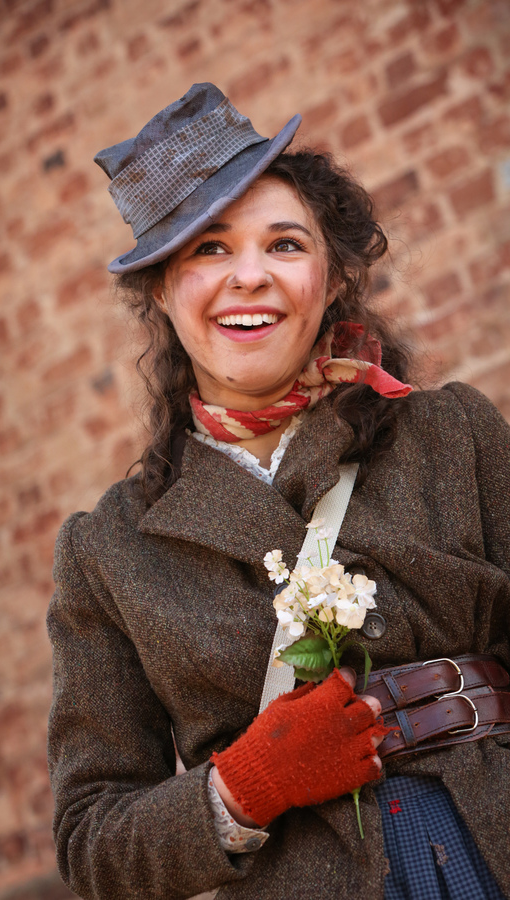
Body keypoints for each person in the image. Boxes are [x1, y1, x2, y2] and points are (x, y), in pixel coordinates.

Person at [47, 84, 510, 900]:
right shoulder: (109, 551)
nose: (248, 277)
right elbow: (93, 844)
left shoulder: (456, 435)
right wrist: (243, 788)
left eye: (285, 244)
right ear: (162, 289)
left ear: (333, 278)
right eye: (208, 250)